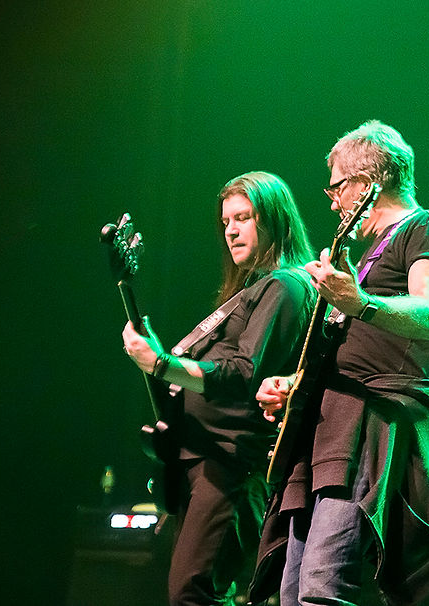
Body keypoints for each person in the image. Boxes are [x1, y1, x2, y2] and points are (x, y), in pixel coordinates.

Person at [251, 120, 429, 606]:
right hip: (328, 427)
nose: (333, 202)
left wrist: (361, 302)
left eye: (336, 187)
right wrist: (293, 383)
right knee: (291, 592)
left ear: (366, 184)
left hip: (373, 423)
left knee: (323, 589)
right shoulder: (369, 253)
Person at [121, 171, 316, 605]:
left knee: (192, 591)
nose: (230, 230)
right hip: (203, 458)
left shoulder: (284, 285)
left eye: (243, 218)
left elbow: (244, 373)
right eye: (226, 221)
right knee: (196, 590)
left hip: (231, 463)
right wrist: (161, 362)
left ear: (274, 220)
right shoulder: (250, 290)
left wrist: (163, 364)